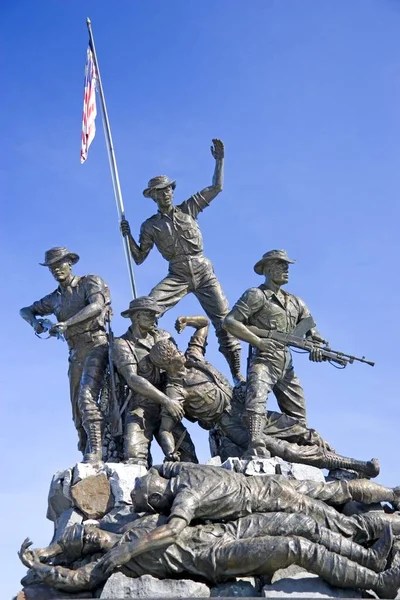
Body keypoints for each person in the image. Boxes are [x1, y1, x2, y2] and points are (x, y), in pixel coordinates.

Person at [148, 316, 379, 478]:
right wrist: (170, 452)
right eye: (174, 353)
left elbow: (204, 325)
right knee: (285, 450)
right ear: (168, 363)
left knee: (299, 431)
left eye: (176, 348)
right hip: (231, 425)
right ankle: (357, 465)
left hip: (245, 406)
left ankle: (343, 464)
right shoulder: (175, 390)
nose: (179, 351)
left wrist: (188, 320)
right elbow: (165, 428)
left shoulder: (194, 357)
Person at [18, 513, 400, 597]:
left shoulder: (126, 527)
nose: (93, 533)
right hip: (216, 557)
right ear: (88, 547)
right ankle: (378, 583)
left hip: (219, 530)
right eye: (87, 537)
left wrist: (49, 549)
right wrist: (43, 567)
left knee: (297, 521)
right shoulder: (112, 559)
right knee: (293, 547)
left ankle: (370, 558)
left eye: (89, 530)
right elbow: (78, 580)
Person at [119, 139, 242, 384]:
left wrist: (219, 161)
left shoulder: (190, 208)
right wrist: (128, 236)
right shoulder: (150, 226)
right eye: (160, 191)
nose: (166, 193)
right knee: (148, 306)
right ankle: (144, 354)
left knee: (226, 322)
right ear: (153, 196)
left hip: (203, 270)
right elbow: (139, 258)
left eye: (168, 189)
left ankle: (237, 374)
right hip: (177, 274)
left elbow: (216, 188)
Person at [125, 462, 400, 563]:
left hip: (277, 501)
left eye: (149, 505)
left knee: (348, 528)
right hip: (271, 483)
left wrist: (127, 550)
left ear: (157, 498)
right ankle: (392, 493)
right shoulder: (184, 470)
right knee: (340, 490)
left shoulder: (186, 497)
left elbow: (173, 531)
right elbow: (165, 465)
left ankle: (393, 524)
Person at [223, 249, 327, 456]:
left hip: (286, 364)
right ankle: (255, 443)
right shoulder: (256, 295)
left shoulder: (296, 302)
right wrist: (258, 342)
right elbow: (230, 321)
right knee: (256, 400)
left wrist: (316, 346)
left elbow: (312, 333)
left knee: (298, 418)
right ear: (268, 269)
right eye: (281, 264)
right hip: (264, 358)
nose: (286, 268)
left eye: (287, 265)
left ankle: (300, 451)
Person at [20, 247, 110, 464]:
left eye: (60, 264)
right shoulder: (54, 299)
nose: (56, 269)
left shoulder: (89, 282)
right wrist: (35, 323)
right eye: (52, 267)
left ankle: (96, 452)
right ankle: (85, 449)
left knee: (86, 397)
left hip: (97, 345)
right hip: (75, 353)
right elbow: (25, 310)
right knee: (76, 412)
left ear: (70, 263)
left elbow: (97, 306)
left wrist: (67, 323)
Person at [111, 296, 197, 466]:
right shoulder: (121, 344)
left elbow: (179, 365)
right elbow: (133, 379)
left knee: (188, 458)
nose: (155, 318)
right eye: (150, 314)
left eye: (156, 314)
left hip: (169, 405)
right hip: (142, 407)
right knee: (134, 457)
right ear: (135, 317)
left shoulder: (164, 336)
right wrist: (167, 401)